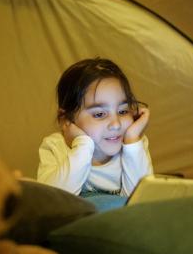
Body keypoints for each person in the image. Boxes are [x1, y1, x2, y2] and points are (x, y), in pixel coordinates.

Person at [36, 58, 153, 211]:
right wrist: (83, 145)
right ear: (66, 120)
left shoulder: (133, 144)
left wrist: (132, 141)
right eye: (99, 114)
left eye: (123, 111)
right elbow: (50, 204)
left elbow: (141, 206)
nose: (116, 124)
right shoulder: (55, 147)